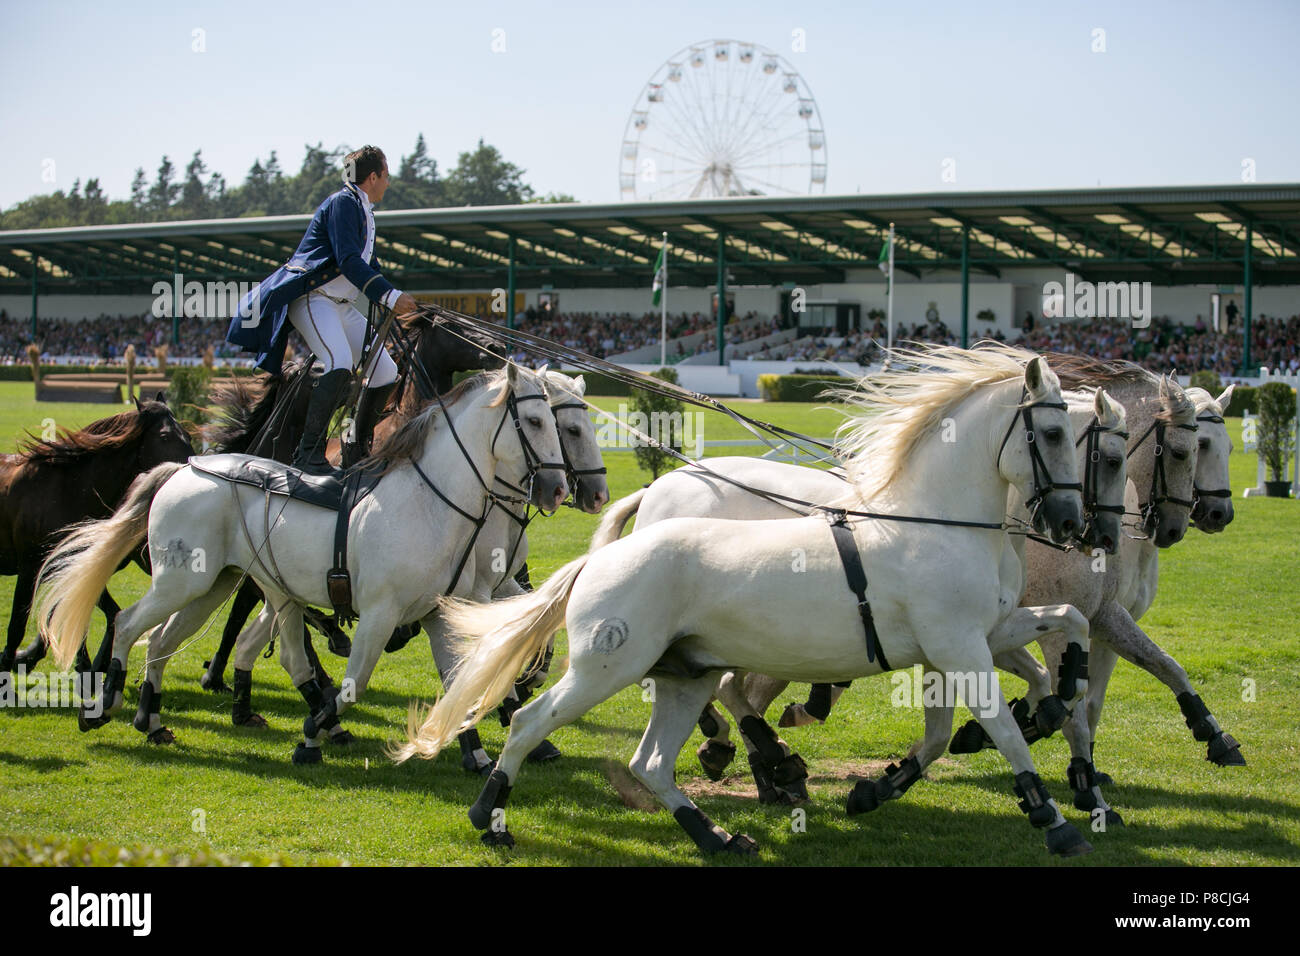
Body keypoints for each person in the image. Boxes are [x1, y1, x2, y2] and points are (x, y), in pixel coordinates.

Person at [226, 145, 417, 474]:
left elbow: (369, 265)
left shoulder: (363, 208)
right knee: (339, 362)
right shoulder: (343, 203)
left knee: (385, 372)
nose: (388, 182)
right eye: (386, 176)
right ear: (372, 177)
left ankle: (357, 448)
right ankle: (308, 454)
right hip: (315, 300)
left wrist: (395, 296)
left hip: (341, 306)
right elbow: (348, 261)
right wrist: (389, 296)